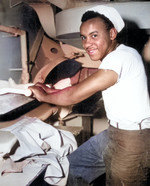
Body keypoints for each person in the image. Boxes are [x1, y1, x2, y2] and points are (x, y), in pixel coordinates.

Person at [29, 5, 150, 186]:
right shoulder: (115, 56)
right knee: (73, 166)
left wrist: (42, 96)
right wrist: (50, 90)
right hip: (113, 133)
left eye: (94, 35)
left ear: (112, 34)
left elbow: (74, 95)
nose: (87, 44)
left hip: (133, 140)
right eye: (83, 37)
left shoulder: (121, 57)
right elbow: (86, 84)